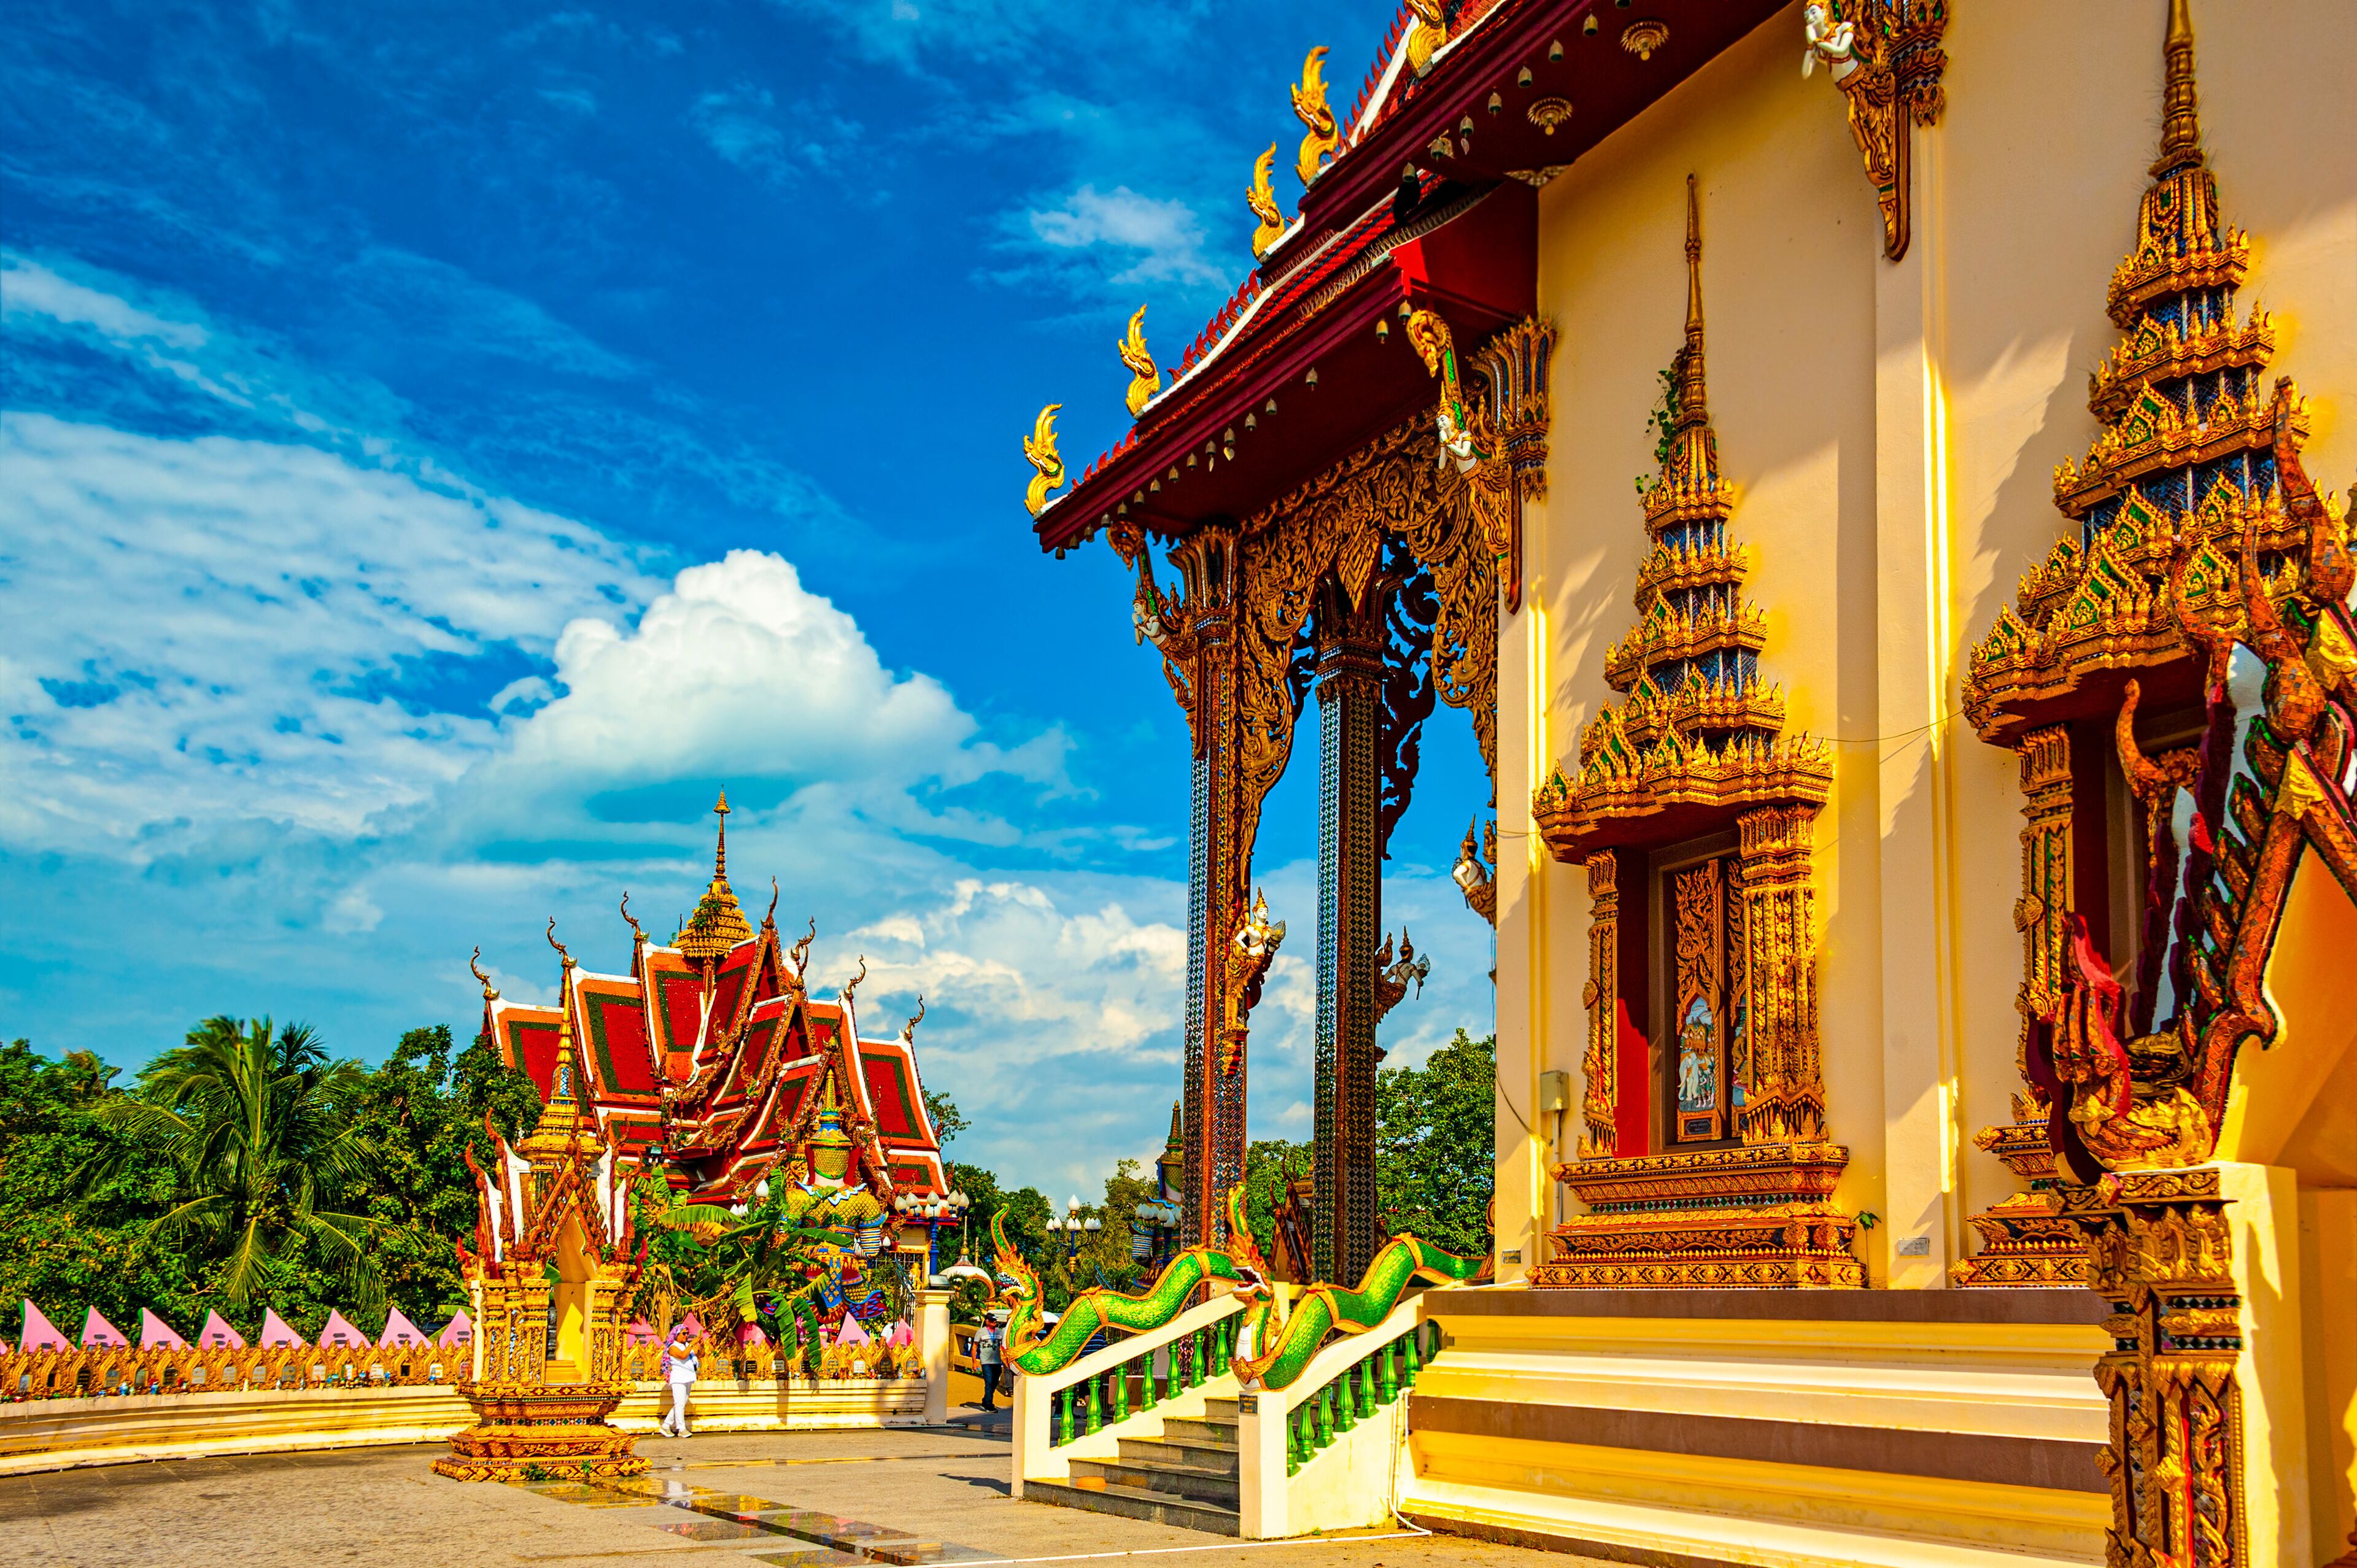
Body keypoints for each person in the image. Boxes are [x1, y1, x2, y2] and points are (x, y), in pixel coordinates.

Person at [660, 1331, 699, 1438]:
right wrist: (692, 1344)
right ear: (676, 1335)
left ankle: (666, 1425)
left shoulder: (686, 1346)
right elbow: (682, 1356)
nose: (686, 1336)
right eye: (683, 1334)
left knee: (681, 1404)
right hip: (679, 1378)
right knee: (680, 1404)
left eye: (687, 1334)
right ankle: (681, 1429)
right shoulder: (673, 1347)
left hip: (689, 1376)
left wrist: (701, 1345)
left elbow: (701, 1354)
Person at [973, 1316, 1003, 1413]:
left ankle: (985, 1401)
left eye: (995, 1320)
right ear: (987, 1321)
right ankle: (989, 1405)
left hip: (997, 1361)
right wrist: (974, 1362)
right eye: (992, 1320)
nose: (994, 1322)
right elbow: (974, 1347)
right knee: (989, 1382)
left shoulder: (1000, 1332)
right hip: (986, 1362)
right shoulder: (981, 1332)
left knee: (994, 1383)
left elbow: (1003, 1346)